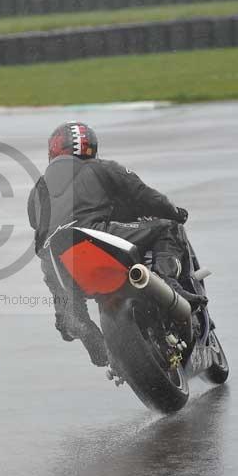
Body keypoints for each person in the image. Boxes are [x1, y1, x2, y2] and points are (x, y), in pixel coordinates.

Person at [27, 121, 207, 367]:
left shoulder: (37, 191)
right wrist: (175, 212)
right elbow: (144, 194)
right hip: (94, 235)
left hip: (55, 258)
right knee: (168, 228)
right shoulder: (101, 168)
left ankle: (86, 333)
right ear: (89, 149)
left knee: (70, 312)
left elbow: (36, 227)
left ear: (54, 151)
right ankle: (171, 283)